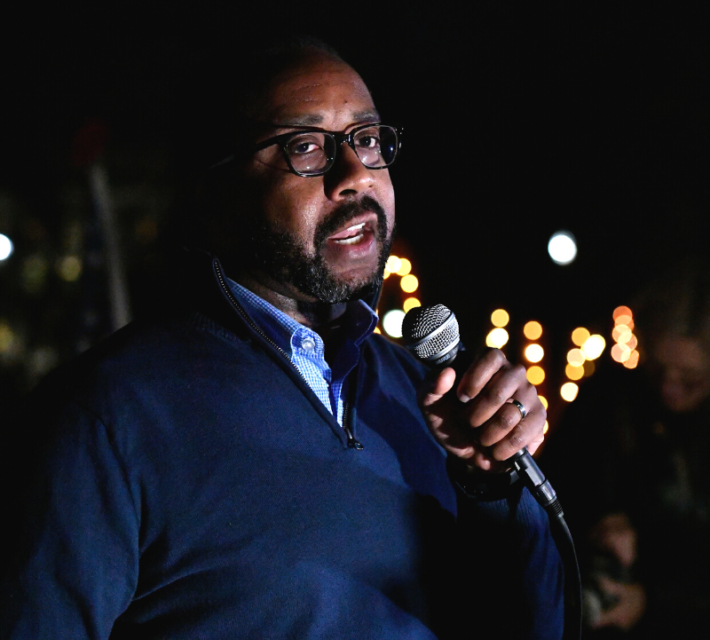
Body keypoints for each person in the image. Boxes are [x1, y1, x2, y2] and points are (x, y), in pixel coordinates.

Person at [0, 39, 564, 639]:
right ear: (215, 195)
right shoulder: (109, 416)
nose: (356, 176)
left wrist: (493, 487)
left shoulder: (424, 395)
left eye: (368, 139)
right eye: (305, 147)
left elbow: (540, 624)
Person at [542, 256, 710, 638]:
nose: (669, 386)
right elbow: (543, 496)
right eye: (659, 369)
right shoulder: (607, 401)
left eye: (690, 379)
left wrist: (653, 601)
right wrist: (592, 527)